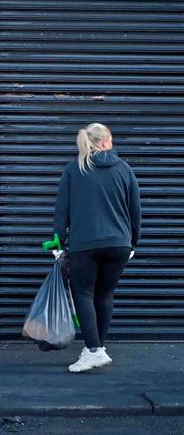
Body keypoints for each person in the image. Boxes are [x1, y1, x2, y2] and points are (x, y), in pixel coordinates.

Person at [53, 123, 141, 373]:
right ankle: (97, 348)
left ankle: (93, 350)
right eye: (110, 139)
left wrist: (58, 241)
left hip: (85, 244)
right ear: (103, 142)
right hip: (119, 245)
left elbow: (62, 210)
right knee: (104, 294)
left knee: (83, 294)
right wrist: (133, 241)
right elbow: (135, 210)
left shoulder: (74, 169)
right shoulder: (125, 169)